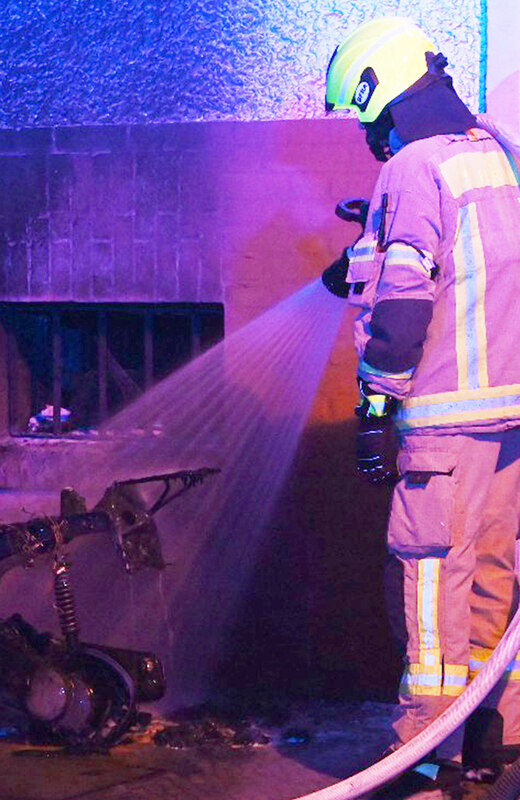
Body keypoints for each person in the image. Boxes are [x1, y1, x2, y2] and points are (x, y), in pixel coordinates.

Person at [325, 16, 520, 798]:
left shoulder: (414, 169)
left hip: (440, 431)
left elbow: (405, 312)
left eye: (367, 115)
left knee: (431, 591)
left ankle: (424, 763)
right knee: (493, 584)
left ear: (386, 92)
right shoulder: (496, 160)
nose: (370, 134)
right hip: (507, 424)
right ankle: (486, 741)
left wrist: (375, 411)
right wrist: (354, 265)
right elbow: (464, 266)